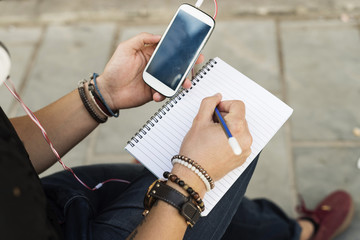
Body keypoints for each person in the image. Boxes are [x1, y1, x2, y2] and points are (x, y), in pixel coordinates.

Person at [0, 33, 354, 240]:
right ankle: (298, 232)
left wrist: (103, 95)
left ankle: (288, 232)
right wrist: (191, 179)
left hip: (52, 202)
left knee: (169, 174)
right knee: (236, 150)